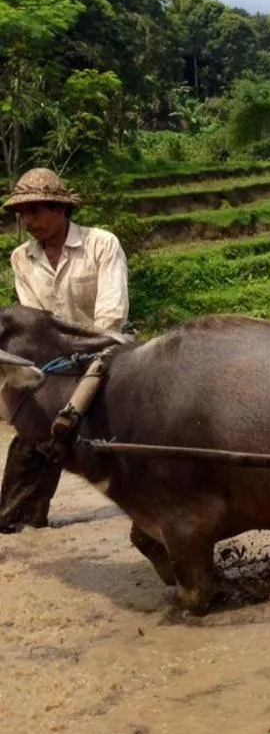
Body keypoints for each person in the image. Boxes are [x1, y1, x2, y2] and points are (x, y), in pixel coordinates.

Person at [0, 168, 129, 533]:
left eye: (36, 211)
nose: (28, 221)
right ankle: (22, 521)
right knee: (30, 441)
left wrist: (85, 360)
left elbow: (111, 316)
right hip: (55, 365)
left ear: (60, 209)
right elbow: (33, 323)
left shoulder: (101, 244)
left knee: (134, 437)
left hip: (104, 353)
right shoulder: (21, 258)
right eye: (22, 214)